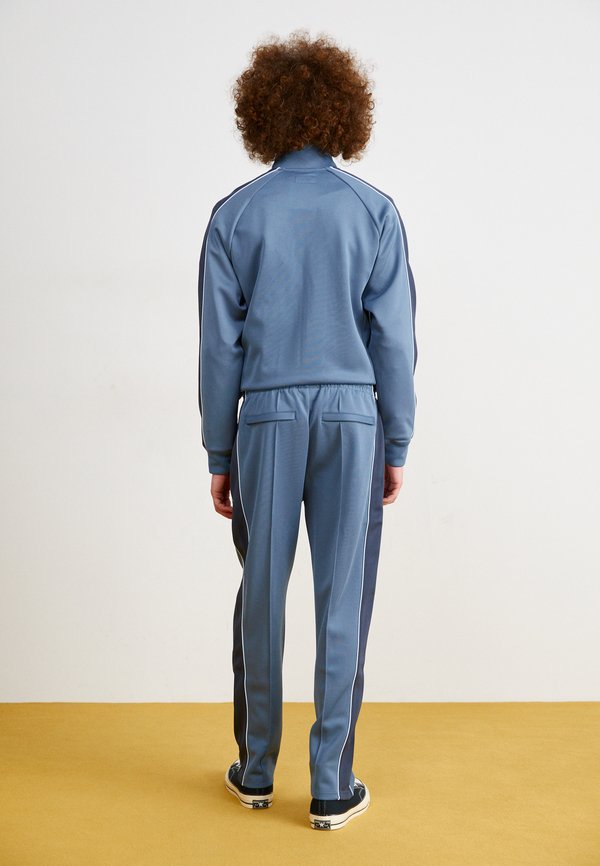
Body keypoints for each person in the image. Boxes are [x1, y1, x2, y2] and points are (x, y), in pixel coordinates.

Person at [197, 29, 417, 831]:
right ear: (343, 113)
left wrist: (219, 451)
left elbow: (219, 347)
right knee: (341, 595)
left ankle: (256, 769)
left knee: (262, 588)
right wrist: (397, 442)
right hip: (354, 417)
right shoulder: (373, 211)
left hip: (266, 417)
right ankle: (331, 785)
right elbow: (394, 340)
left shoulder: (234, 215)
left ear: (261, 115)